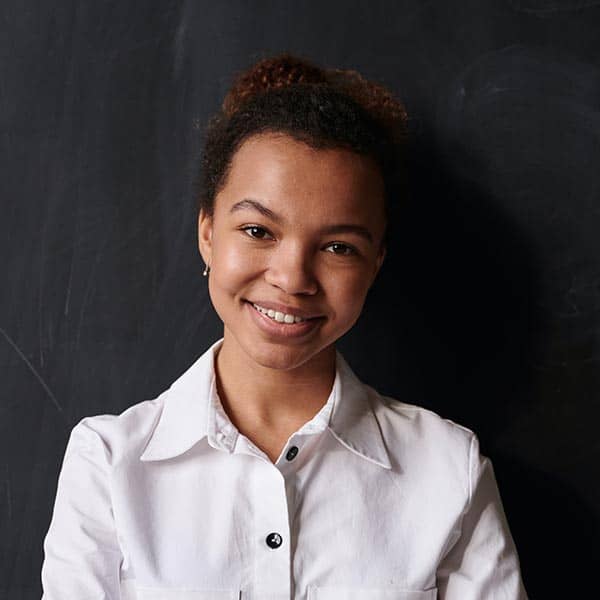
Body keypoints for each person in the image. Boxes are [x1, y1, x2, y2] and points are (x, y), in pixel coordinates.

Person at [41, 54, 528, 600]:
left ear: (376, 263)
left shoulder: (448, 470)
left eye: (338, 247)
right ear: (208, 233)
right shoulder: (108, 466)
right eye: (257, 231)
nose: (292, 279)